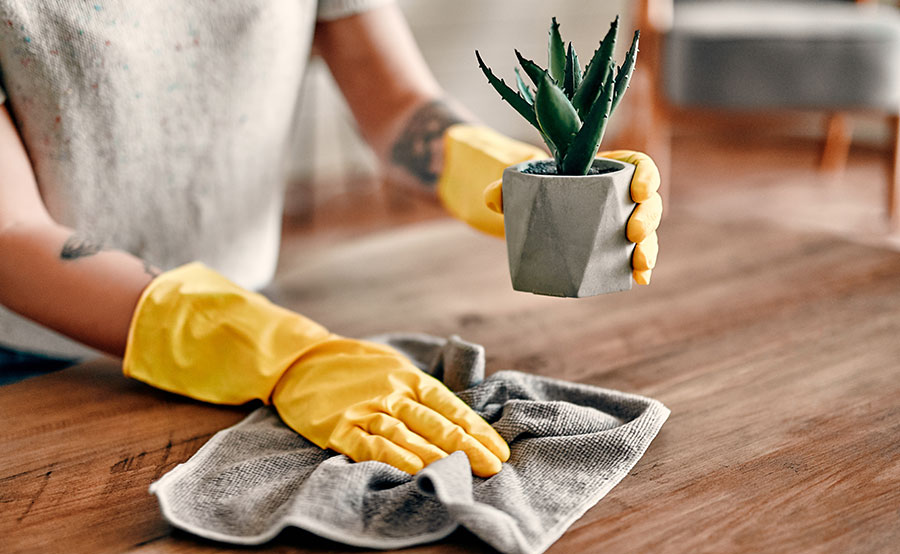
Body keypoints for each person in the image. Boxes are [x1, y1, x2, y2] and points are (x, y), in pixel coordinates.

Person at [0, 1, 661, 476]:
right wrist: (285, 356)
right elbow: (11, 234)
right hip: (38, 370)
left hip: (252, 322)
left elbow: (397, 103)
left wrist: (504, 174)